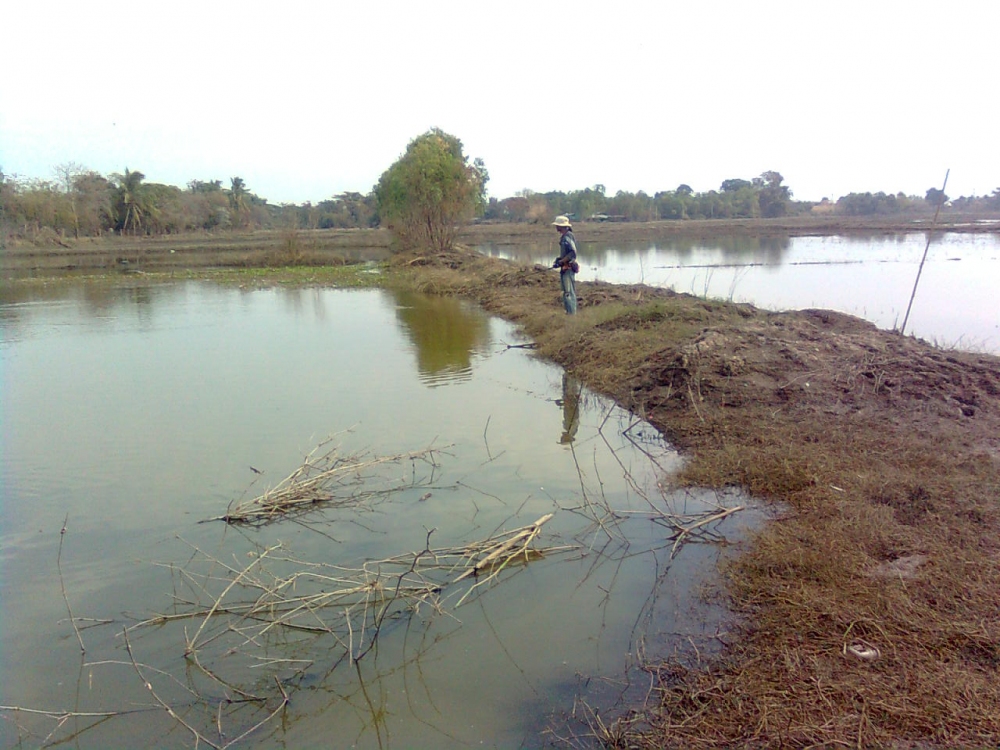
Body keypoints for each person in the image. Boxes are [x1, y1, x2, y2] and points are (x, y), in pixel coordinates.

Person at [551, 215, 578, 314]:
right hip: (564, 268)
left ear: (561, 226)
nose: (556, 227)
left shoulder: (568, 236)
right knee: (565, 292)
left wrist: (562, 261)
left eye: (557, 225)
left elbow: (572, 253)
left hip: (569, 268)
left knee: (568, 292)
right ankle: (568, 313)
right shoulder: (564, 237)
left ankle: (572, 315)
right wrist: (559, 260)